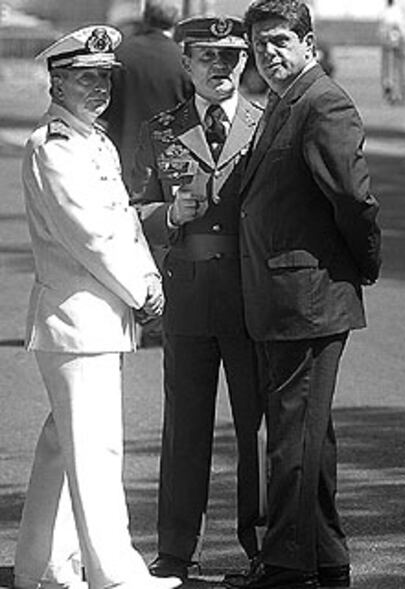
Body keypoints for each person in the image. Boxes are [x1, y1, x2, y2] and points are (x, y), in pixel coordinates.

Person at [14, 25, 181, 589]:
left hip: (94, 320)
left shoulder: (94, 141)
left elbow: (123, 222)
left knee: (63, 447)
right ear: (56, 82)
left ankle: (42, 567)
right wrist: (145, 286)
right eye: (85, 78)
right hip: (77, 320)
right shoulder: (53, 147)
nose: (99, 88)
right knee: (96, 453)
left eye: (104, 78)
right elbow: (91, 234)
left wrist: (146, 274)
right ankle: (116, 575)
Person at [225, 1, 381, 588]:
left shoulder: (323, 102)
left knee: (291, 440)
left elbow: (354, 199)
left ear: (309, 44)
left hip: (308, 300)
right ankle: (327, 558)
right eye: (260, 44)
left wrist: (362, 264)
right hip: (283, 300)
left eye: (281, 41)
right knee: (308, 435)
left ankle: (288, 568)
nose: (269, 52)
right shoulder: (282, 102)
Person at [130, 16, 266, 581]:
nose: (220, 68)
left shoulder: (266, 124)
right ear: (185, 64)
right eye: (207, 56)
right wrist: (166, 214)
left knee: (256, 426)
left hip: (250, 293)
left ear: (245, 63)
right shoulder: (163, 129)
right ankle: (177, 549)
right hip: (188, 294)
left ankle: (264, 547)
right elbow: (132, 210)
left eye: (231, 57)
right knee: (184, 427)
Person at [104, 0, 194, 186]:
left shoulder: (120, 55)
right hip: (170, 162)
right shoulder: (184, 61)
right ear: (177, 21)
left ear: (145, 18)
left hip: (123, 157)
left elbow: (102, 109)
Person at [378, 0, 405, 105]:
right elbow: (404, 31)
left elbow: (383, 30)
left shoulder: (386, 13)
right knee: (398, 69)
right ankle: (398, 92)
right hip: (397, 43)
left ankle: (393, 91)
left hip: (390, 44)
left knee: (389, 69)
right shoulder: (398, 12)